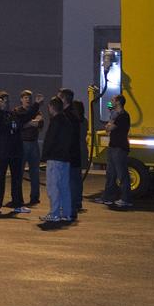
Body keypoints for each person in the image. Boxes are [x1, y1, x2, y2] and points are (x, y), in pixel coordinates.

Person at [0, 91, 28, 215]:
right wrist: (12, 125)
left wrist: (35, 105)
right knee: (0, 177)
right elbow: (4, 126)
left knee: (16, 178)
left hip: (14, 150)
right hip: (2, 151)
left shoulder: (10, 114)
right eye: (2, 100)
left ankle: (18, 204)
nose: (5, 103)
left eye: (6, 101)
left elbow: (20, 122)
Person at [41, 96, 73, 223]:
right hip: (65, 158)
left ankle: (54, 213)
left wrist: (45, 155)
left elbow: (50, 140)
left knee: (53, 187)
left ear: (52, 107)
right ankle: (66, 213)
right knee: (64, 187)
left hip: (55, 158)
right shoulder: (67, 121)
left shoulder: (55, 121)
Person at [100, 94, 132, 208]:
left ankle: (125, 199)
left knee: (122, 174)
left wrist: (110, 123)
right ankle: (108, 197)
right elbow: (108, 128)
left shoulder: (123, 116)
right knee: (111, 174)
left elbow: (109, 128)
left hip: (119, 148)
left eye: (113, 100)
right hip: (113, 146)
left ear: (118, 102)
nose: (111, 102)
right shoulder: (117, 115)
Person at [60, 88, 87, 221]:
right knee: (76, 180)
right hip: (77, 151)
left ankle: (69, 209)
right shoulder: (79, 118)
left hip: (69, 153)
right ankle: (76, 204)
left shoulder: (66, 115)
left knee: (68, 181)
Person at [16, 89, 44, 206]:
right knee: (19, 172)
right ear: (21, 99)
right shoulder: (18, 111)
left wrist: (27, 123)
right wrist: (30, 123)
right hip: (22, 143)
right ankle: (18, 197)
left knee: (35, 172)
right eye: (25, 97)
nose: (28, 100)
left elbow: (40, 122)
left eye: (29, 98)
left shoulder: (36, 111)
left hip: (33, 143)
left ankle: (35, 197)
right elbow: (19, 124)